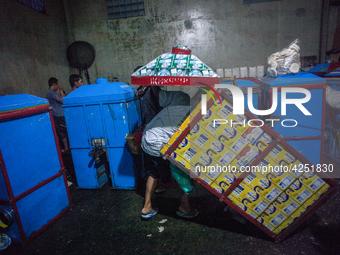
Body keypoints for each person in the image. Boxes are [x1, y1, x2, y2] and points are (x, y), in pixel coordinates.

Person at [140, 89, 198, 220]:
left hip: (148, 137)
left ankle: (147, 207)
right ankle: (185, 207)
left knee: (153, 173)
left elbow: (161, 96)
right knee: (185, 171)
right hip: (160, 143)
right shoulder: (194, 115)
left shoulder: (177, 103)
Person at [46, 77, 69, 152]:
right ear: (54, 84)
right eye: (57, 85)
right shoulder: (51, 93)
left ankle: (65, 148)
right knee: (62, 132)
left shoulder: (51, 93)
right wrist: (61, 91)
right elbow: (62, 101)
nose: (58, 86)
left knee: (62, 132)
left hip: (58, 114)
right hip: (58, 115)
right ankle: (66, 149)